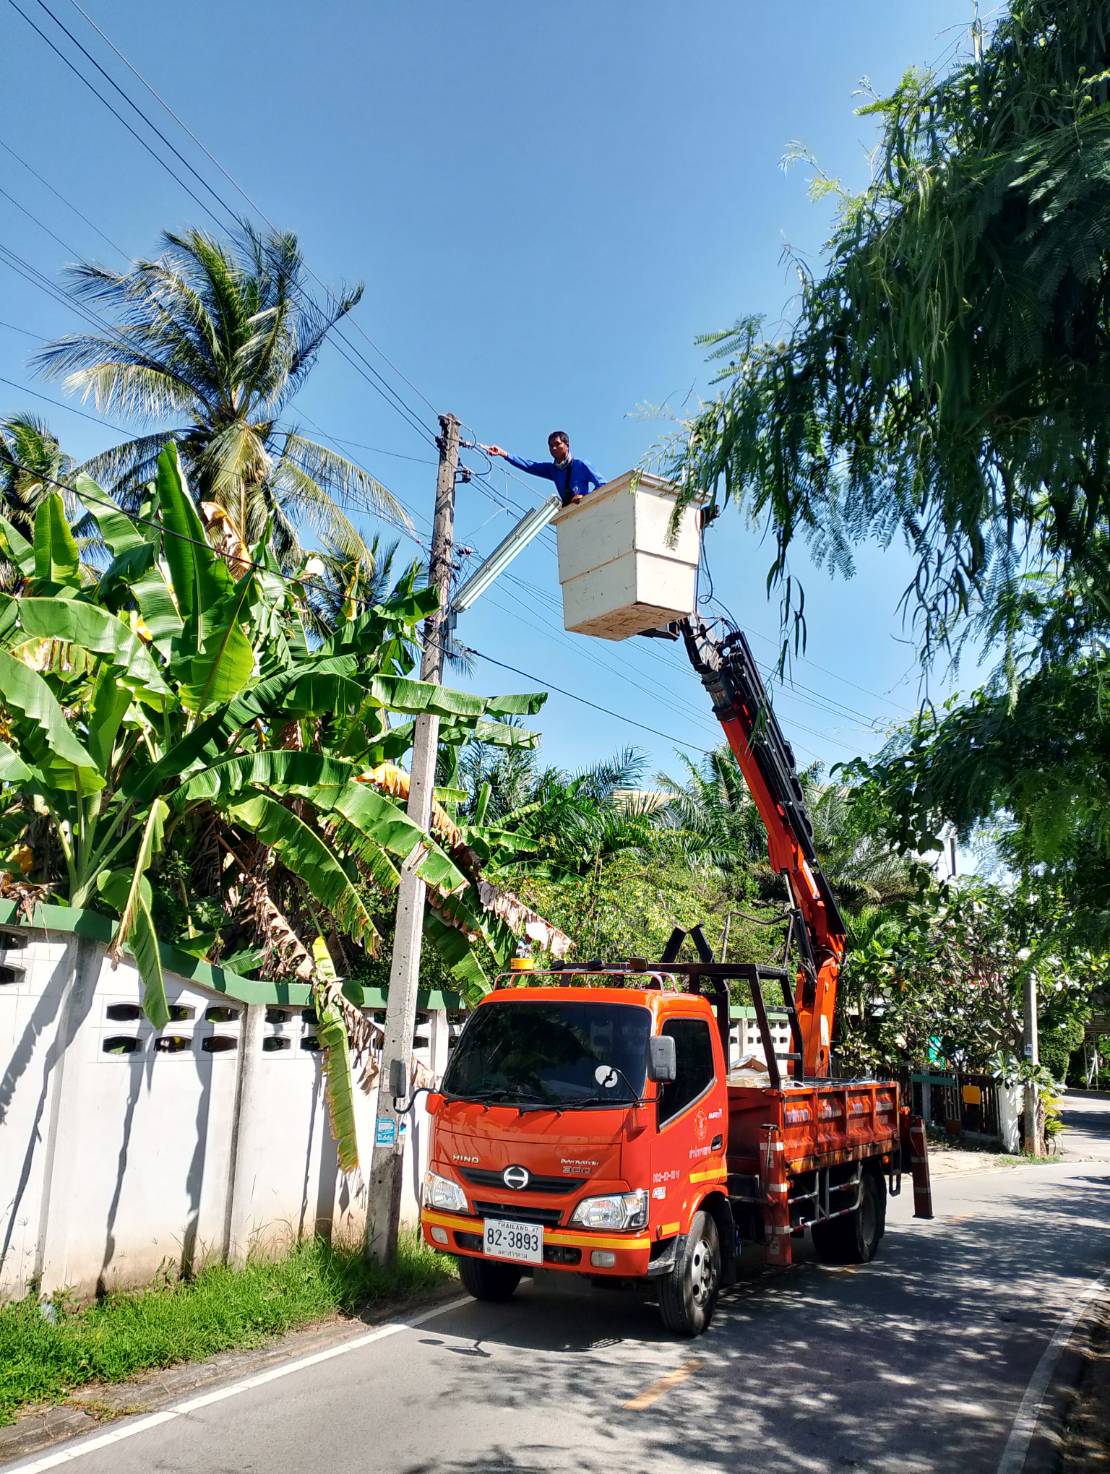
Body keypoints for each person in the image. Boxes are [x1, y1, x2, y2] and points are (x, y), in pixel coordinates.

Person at [484, 430, 605, 507]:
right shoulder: (552, 470)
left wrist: (586, 497)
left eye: (557, 444)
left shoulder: (581, 465)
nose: (554, 448)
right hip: (568, 514)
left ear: (567, 445)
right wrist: (503, 453)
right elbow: (529, 466)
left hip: (586, 509)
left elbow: (602, 484)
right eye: (551, 446)